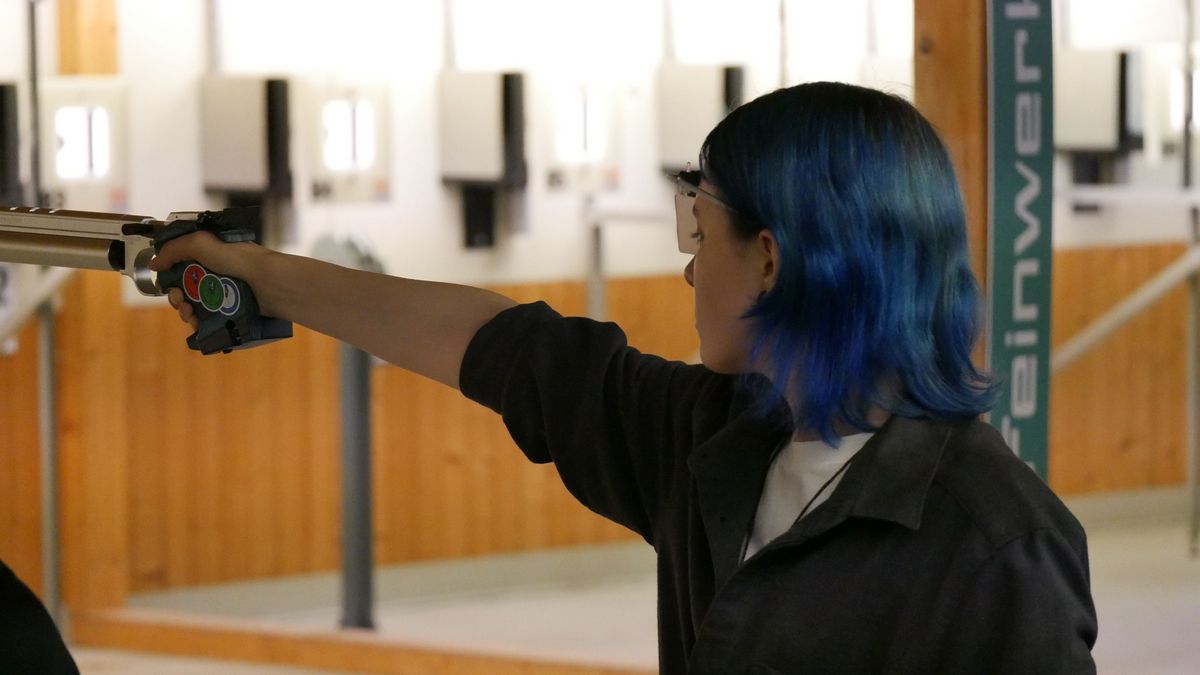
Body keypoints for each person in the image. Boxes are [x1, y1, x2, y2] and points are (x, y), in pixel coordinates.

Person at [152, 82, 1097, 674]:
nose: (689, 267)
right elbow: (497, 344)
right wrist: (256, 273)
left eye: (701, 228)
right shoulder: (717, 438)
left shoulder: (1000, 542)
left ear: (769, 259)